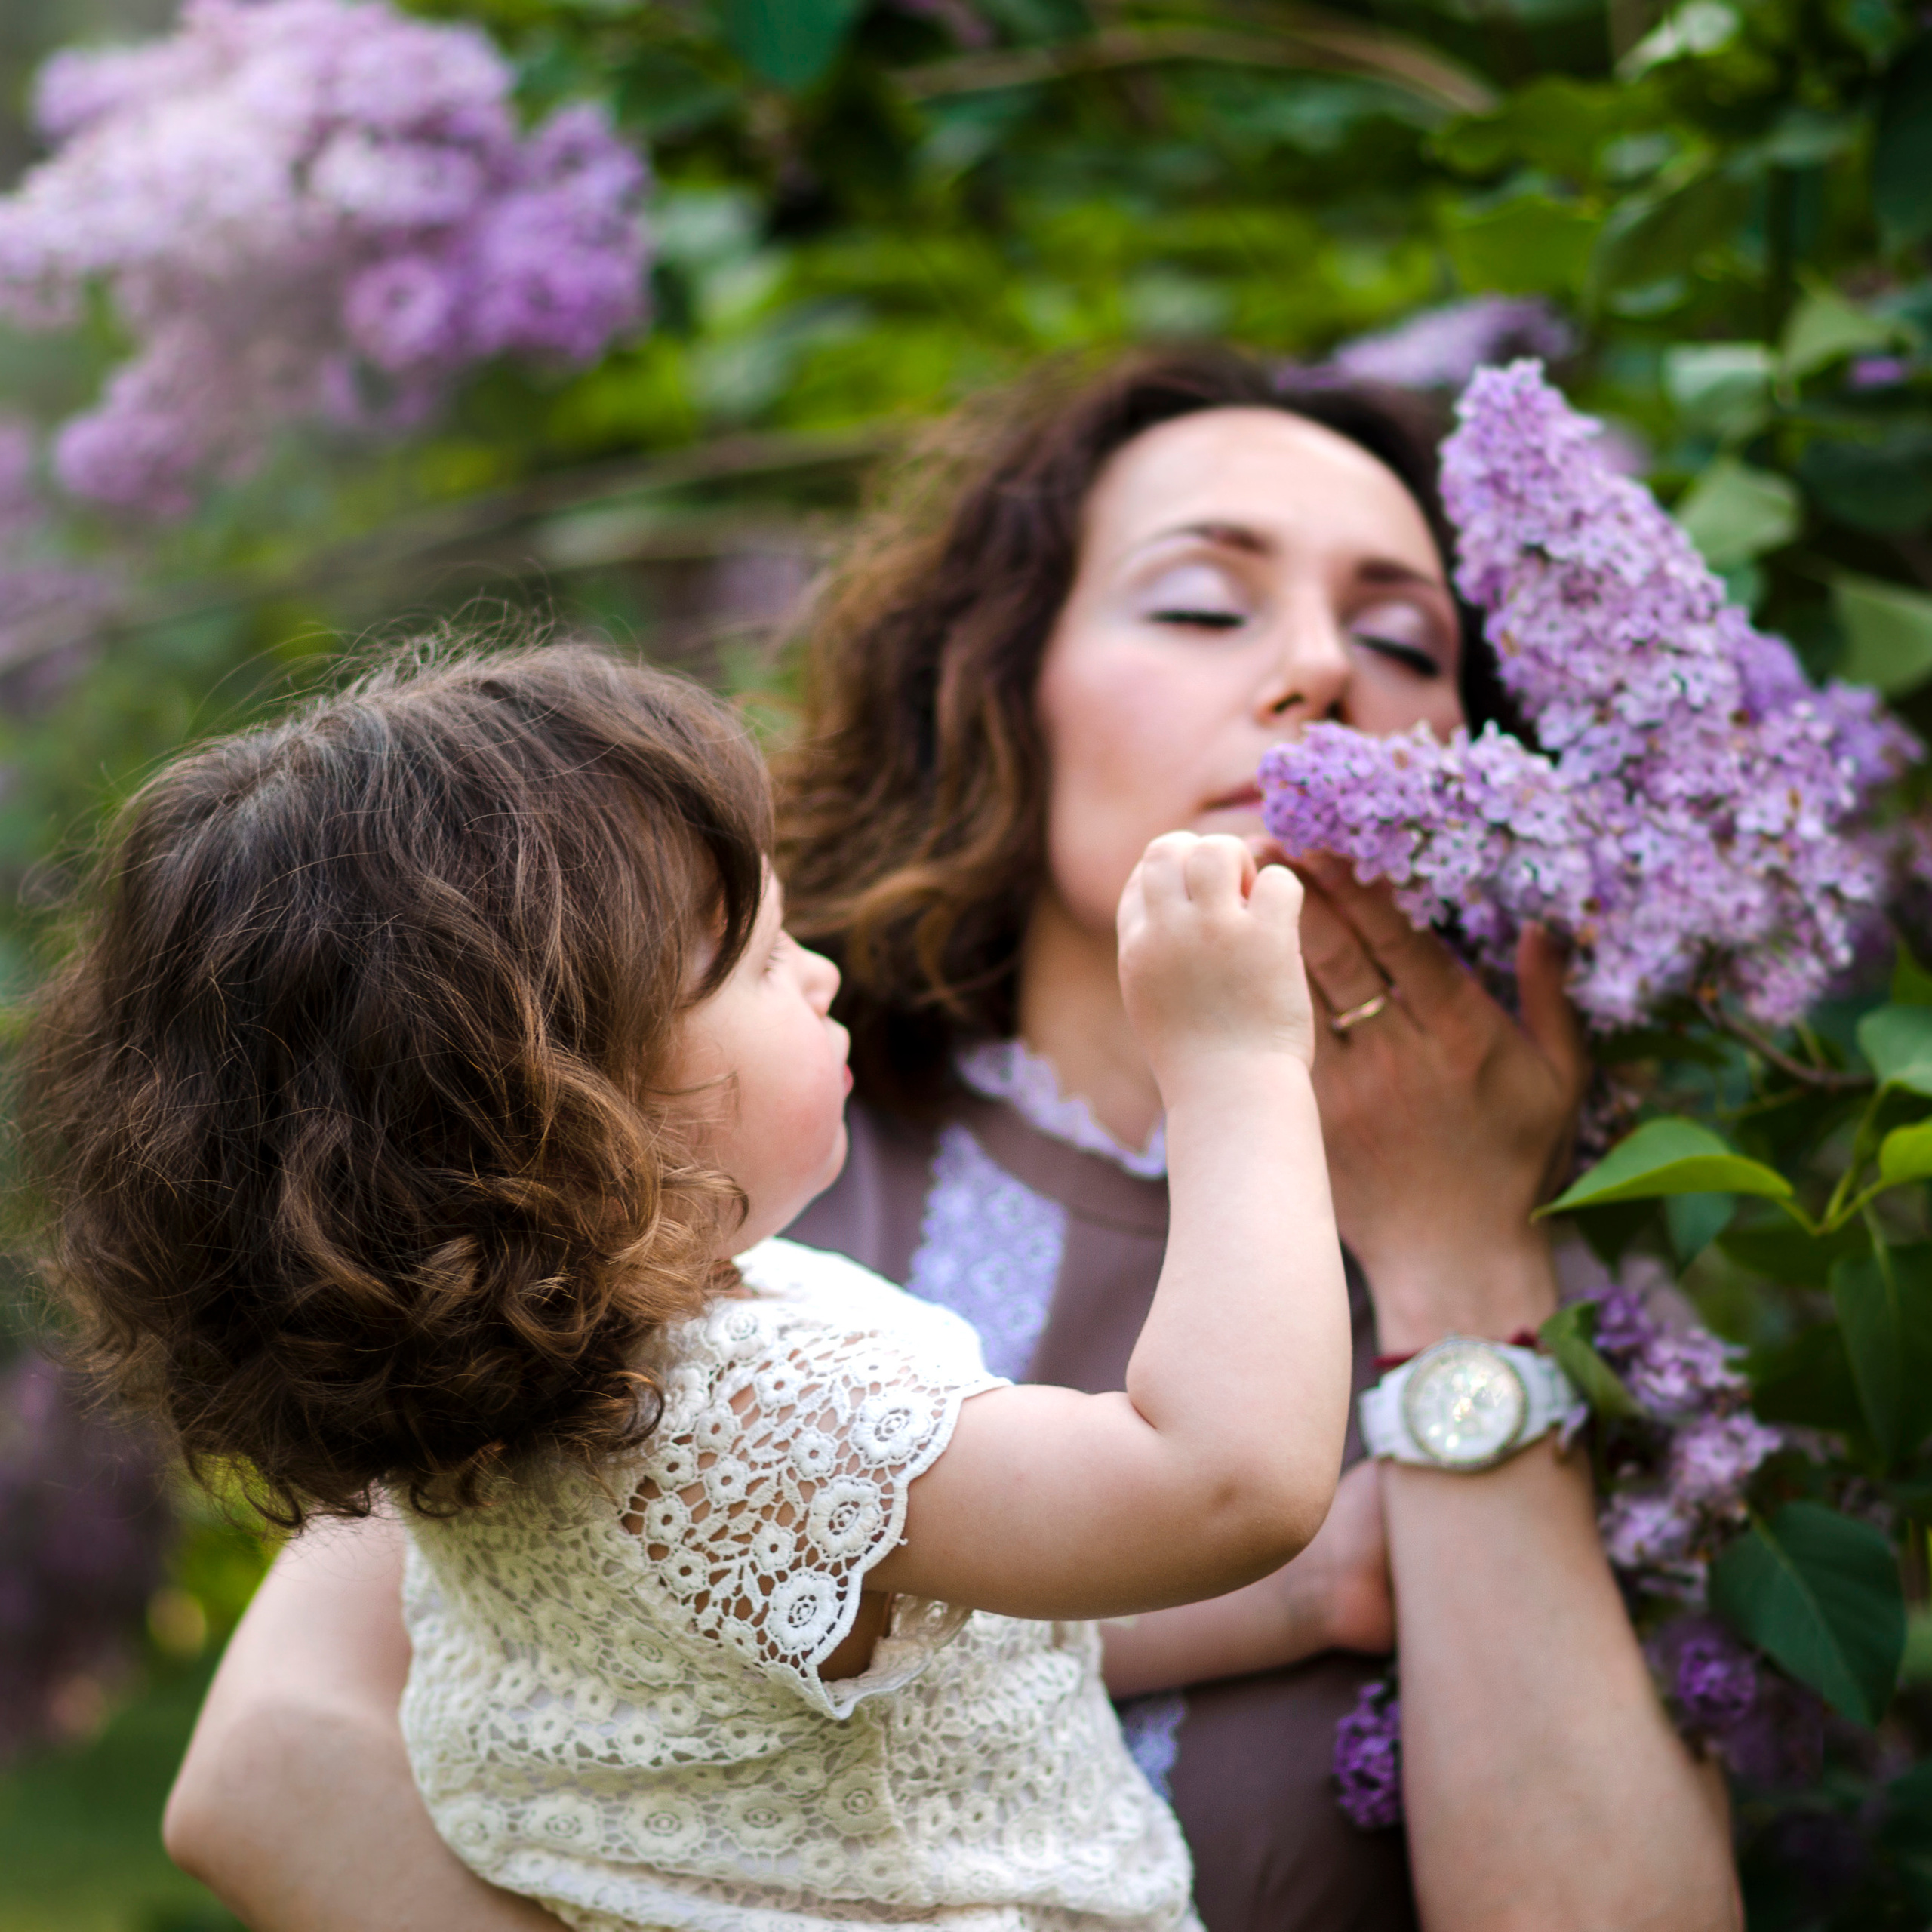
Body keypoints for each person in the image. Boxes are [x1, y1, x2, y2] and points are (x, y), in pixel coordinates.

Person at [160, 347, 1743, 1931]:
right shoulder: (669, 1170)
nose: (1320, 668)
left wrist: (1458, 1258)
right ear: (1004, 683)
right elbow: (278, 1756)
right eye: (1203, 604)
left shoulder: (1614, 1273)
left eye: (1403, 636)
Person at [21, 641, 1358, 1930]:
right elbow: (1223, 1477)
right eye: (764, 960)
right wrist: (1236, 1061)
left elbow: (951, 1656)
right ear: (568, 1108)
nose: (822, 971)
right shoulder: (746, 1420)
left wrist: (1309, 1604)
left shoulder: (497, 1429)